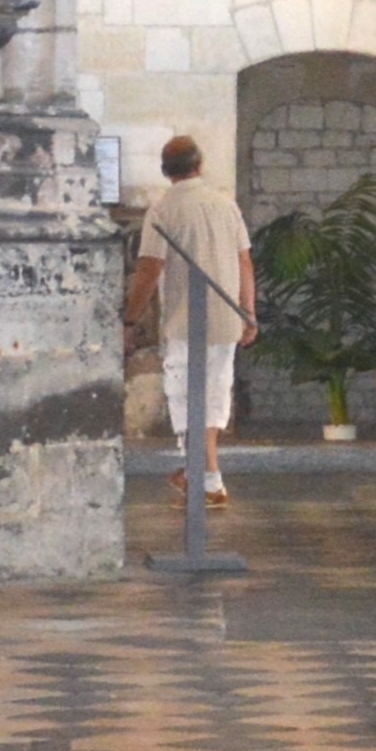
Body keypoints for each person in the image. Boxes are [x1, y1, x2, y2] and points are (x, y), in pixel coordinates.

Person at [123, 136, 258, 509]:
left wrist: (130, 319)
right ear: (199, 166)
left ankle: (207, 479)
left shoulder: (164, 210)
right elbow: (245, 261)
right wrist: (249, 312)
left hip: (185, 321)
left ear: (166, 171)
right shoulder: (225, 205)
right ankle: (202, 474)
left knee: (186, 400)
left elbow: (150, 268)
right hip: (225, 319)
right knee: (213, 397)